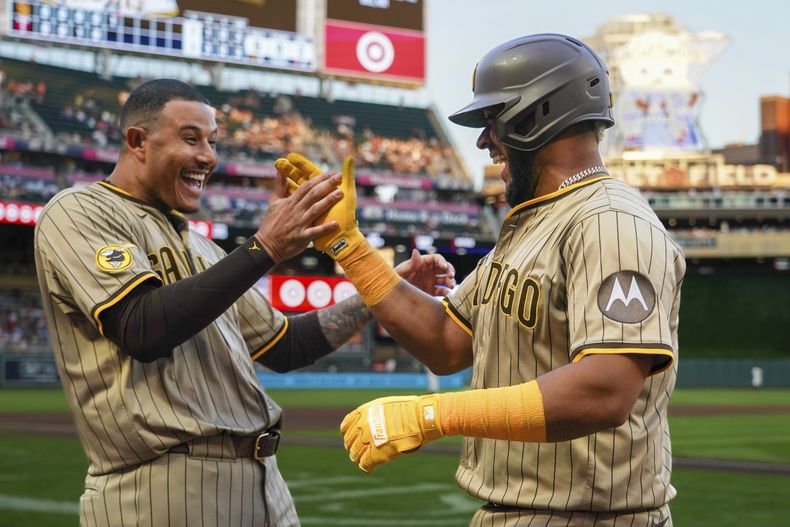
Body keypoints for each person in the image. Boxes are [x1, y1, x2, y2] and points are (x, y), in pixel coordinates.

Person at [277, 33, 685, 527]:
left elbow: (604, 389)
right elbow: (446, 342)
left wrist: (433, 415)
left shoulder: (612, 222)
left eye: (493, 121)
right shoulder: (529, 225)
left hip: (593, 517)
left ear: (537, 116)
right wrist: (349, 246)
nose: (483, 139)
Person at [33, 79, 455, 527]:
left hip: (264, 481)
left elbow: (289, 345)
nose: (209, 157)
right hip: (162, 487)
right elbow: (142, 328)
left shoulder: (203, 248)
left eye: (212, 141)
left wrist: (379, 285)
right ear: (138, 141)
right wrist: (266, 246)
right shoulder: (79, 210)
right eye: (191, 138)